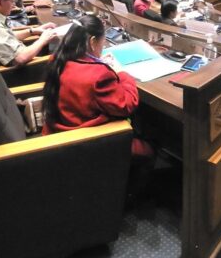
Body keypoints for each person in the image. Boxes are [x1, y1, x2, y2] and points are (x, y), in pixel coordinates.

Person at [40, 14, 153, 180]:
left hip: (59, 131)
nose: (103, 45)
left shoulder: (57, 59)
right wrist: (120, 72)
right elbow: (127, 105)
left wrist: (100, 64)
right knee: (150, 148)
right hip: (87, 142)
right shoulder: (99, 75)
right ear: (92, 42)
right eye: (103, 42)